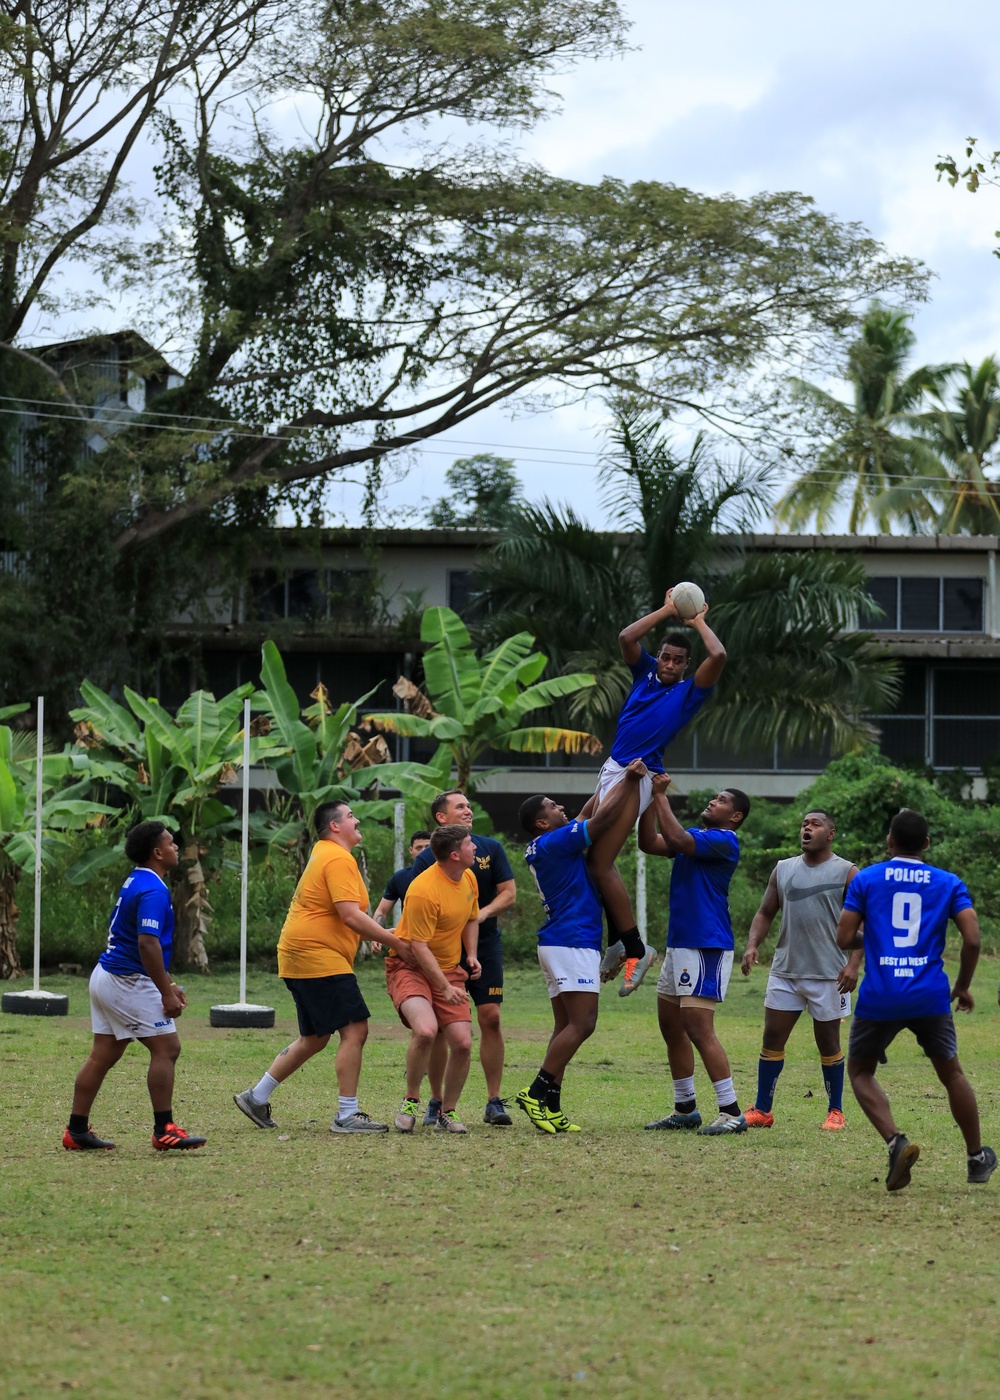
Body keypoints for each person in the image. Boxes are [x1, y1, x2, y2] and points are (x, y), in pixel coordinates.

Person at [836, 807, 996, 1191]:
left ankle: (896, 1141)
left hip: (881, 995)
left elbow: (843, 938)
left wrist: (873, 942)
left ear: (890, 841)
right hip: (929, 995)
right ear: (926, 843)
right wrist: (962, 986)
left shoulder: (868, 878)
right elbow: (973, 940)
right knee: (952, 1073)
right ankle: (976, 1159)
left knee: (859, 1072)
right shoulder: (948, 882)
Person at [234, 800, 416, 1135]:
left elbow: (345, 917)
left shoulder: (326, 853)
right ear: (334, 826)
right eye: (350, 816)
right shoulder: (336, 857)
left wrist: (385, 934)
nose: (357, 820)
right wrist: (397, 943)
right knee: (355, 1028)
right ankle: (347, 1114)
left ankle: (256, 1096)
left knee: (315, 1037)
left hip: (302, 954)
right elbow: (349, 914)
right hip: (316, 955)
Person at [593, 589, 727, 997]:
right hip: (613, 768)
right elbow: (626, 638)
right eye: (665, 657)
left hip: (639, 775)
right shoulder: (645, 672)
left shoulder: (689, 693)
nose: (669, 664)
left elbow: (718, 657)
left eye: (677, 660)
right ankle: (620, 942)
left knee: (600, 863)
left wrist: (696, 620)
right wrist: (668, 609)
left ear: (686, 666)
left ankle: (636, 949)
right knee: (588, 856)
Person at [515, 759, 648, 1134]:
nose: (562, 808)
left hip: (559, 941)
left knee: (565, 1026)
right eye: (554, 806)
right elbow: (602, 821)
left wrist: (609, 780)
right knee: (584, 1023)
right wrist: (632, 780)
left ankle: (552, 1107)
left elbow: (591, 810)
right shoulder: (557, 842)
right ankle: (536, 1091)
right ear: (542, 822)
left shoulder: (546, 843)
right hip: (572, 941)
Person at [63, 821, 206, 1151]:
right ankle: (164, 1129)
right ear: (158, 852)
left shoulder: (136, 879)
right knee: (167, 1049)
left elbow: (137, 942)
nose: (175, 849)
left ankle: (77, 1130)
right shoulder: (154, 889)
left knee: (102, 1055)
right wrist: (165, 992)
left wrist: (167, 982)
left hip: (107, 975)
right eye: (171, 844)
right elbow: (146, 943)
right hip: (127, 980)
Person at [640, 773, 750, 1136]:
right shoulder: (697, 837)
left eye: (720, 800)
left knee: (698, 1027)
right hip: (680, 943)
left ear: (735, 816)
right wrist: (643, 801)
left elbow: (673, 838)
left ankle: (731, 1110)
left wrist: (659, 794)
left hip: (706, 944)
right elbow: (648, 842)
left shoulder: (723, 841)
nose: (712, 801)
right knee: (671, 1026)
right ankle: (685, 1108)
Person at [740, 809, 862, 1131]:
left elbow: (866, 923)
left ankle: (835, 1110)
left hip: (830, 974)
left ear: (831, 833)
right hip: (786, 970)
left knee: (828, 1042)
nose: (807, 829)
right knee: (771, 1038)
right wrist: (753, 945)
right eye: (804, 824)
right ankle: (763, 1110)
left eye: (815, 824)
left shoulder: (848, 873)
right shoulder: (783, 869)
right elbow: (765, 912)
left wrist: (853, 963)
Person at [407, 790, 516, 1126]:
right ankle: (435, 1102)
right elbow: (422, 909)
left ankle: (493, 1101)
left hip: (484, 946)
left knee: (491, 1017)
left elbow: (509, 893)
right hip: (441, 951)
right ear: (442, 817)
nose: (468, 810)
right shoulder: (430, 858)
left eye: (469, 805)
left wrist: (479, 915)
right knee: (440, 1028)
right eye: (460, 806)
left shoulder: (490, 849)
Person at [386, 824, 482, 1134]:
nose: (475, 848)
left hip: (449, 969)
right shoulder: (423, 890)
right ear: (455, 854)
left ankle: (447, 1111)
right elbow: (418, 946)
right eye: (470, 844)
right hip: (410, 967)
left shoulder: (468, 877)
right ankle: (411, 1100)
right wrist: (443, 987)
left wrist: (471, 954)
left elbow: (470, 917)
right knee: (426, 1031)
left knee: (463, 1043)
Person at [372, 830, 432, 928]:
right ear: (411, 850)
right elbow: (382, 911)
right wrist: (375, 933)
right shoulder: (400, 877)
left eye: (428, 848)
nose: (423, 852)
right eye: (419, 848)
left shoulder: (450, 874)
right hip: (410, 937)